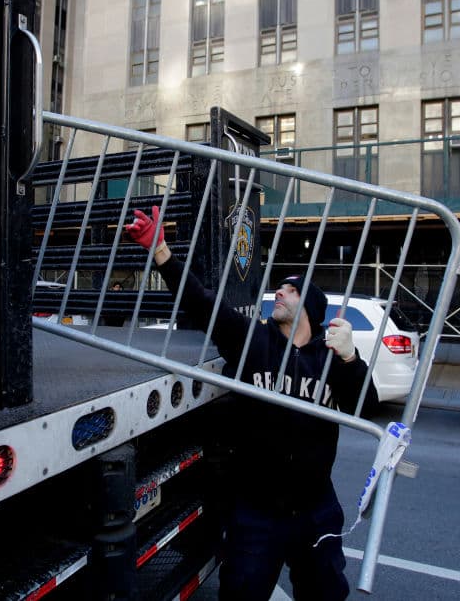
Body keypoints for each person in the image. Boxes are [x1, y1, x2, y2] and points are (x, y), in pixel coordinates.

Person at [126, 206, 376, 601]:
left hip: (316, 510)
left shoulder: (330, 360)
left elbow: (367, 409)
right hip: (257, 511)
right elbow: (202, 303)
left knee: (325, 593)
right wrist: (161, 252)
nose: (279, 291)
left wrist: (351, 360)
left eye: (291, 290)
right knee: (242, 593)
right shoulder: (254, 341)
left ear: (309, 308)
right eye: (281, 287)